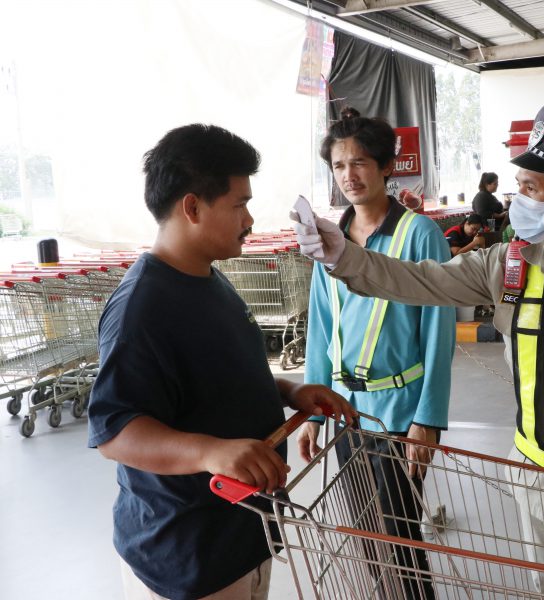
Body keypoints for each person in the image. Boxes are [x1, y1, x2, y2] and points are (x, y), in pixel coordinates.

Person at [292, 103, 544, 600]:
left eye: (530, 189)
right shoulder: (506, 266)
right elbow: (420, 279)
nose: (516, 201)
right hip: (533, 478)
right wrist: (344, 256)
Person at [87, 124, 354, 600]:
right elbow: (115, 430)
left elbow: (222, 372)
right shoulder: (141, 310)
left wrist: (290, 391)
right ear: (192, 207)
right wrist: (210, 452)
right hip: (185, 555)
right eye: (239, 205)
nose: (249, 220)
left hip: (244, 533)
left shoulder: (210, 280)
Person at [295, 107, 456, 599]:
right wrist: (313, 412)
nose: (350, 175)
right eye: (340, 165)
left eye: (361, 162)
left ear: (387, 166)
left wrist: (427, 419)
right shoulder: (329, 240)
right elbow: (322, 330)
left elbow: (438, 333)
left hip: (400, 413)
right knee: (366, 534)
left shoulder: (419, 235)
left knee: (402, 540)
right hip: (346, 411)